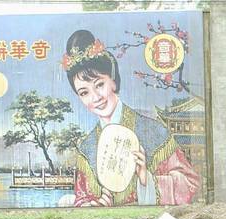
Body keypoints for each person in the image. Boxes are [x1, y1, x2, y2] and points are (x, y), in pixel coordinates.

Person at [63, 29, 200, 207]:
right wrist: (92, 207)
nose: (95, 97)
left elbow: (190, 183)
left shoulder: (154, 131)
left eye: (99, 84)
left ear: (113, 80)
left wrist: (146, 180)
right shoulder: (86, 147)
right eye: (84, 92)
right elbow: (82, 197)